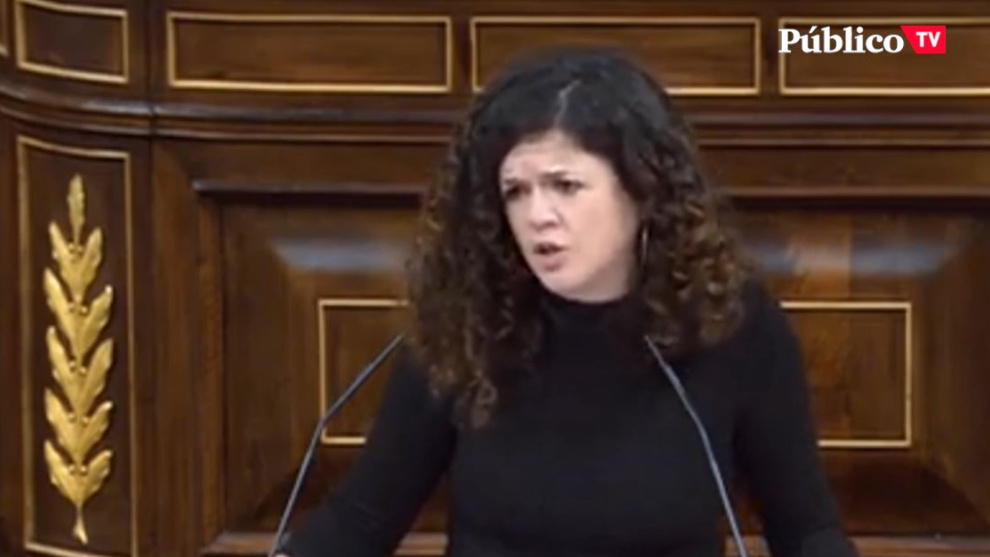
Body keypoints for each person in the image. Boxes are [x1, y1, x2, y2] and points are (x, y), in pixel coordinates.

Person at [276, 47, 859, 557]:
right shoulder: (470, 318)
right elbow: (361, 520)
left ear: (642, 189)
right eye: (515, 191)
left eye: (565, 185)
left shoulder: (728, 321)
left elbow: (806, 531)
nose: (538, 216)